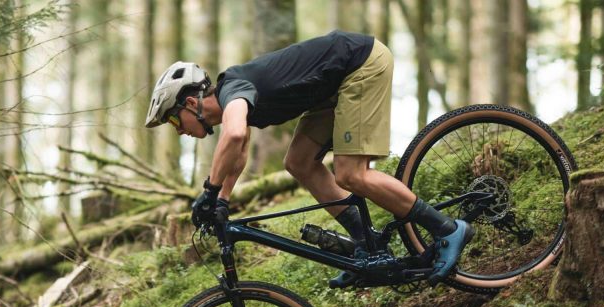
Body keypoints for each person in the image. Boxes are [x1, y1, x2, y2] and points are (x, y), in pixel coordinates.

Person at [145, 30, 474, 285]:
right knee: (299, 162)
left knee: (351, 174)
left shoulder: (232, 89)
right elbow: (239, 147)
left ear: (191, 104)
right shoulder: (234, 99)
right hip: (333, 86)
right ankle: (368, 243)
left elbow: (233, 135)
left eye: (173, 120)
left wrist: (210, 190)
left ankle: (447, 229)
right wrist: (222, 201)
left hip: (360, 65)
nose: (178, 131)